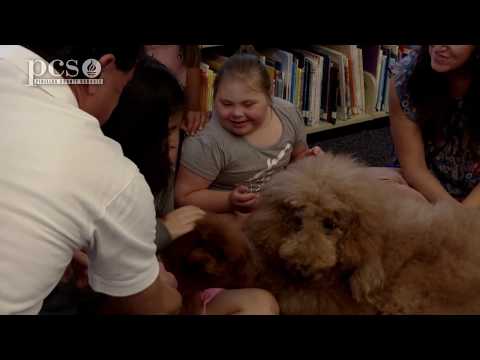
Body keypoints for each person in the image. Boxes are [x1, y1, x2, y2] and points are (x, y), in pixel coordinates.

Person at [0, 45, 180, 315]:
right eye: (120, 88)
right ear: (100, 69)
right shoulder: (112, 174)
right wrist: (168, 289)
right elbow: (152, 307)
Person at [103, 56, 279, 315]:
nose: (174, 141)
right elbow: (107, 253)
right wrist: (164, 231)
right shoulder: (108, 180)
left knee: (262, 303)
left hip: (177, 284)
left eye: (176, 129)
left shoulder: (171, 166)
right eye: (165, 133)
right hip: (134, 290)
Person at [175, 52, 322, 216]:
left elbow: (297, 157)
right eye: (226, 103)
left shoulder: (288, 113)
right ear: (214, 97)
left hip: (279, 205)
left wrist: (308, 160)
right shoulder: (206, 141)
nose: (237, 113)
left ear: (269, 95)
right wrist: (229, 201)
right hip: (229, 217)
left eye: (248, 104)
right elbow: (184, 197)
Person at [389, 45, 480, 207]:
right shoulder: (405, 77)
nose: (438, 46)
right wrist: (454, 216)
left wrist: (466, 215)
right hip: (424, 189)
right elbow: (414, 169)